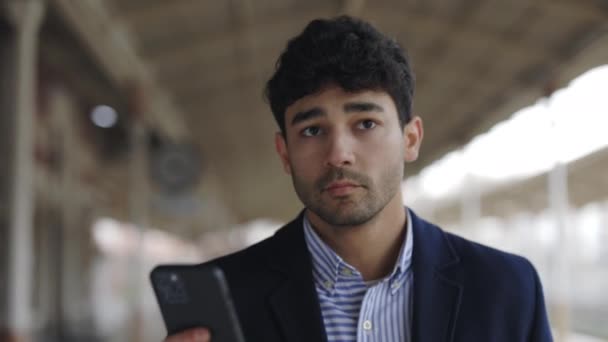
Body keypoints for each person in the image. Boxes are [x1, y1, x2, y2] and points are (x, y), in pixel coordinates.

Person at [166, 16, 552, 342]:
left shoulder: (506, 289)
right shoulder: (230, 297)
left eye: (365, 123)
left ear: (411, 139)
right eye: (312, 131)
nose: (338, 154)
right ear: (285, 153)